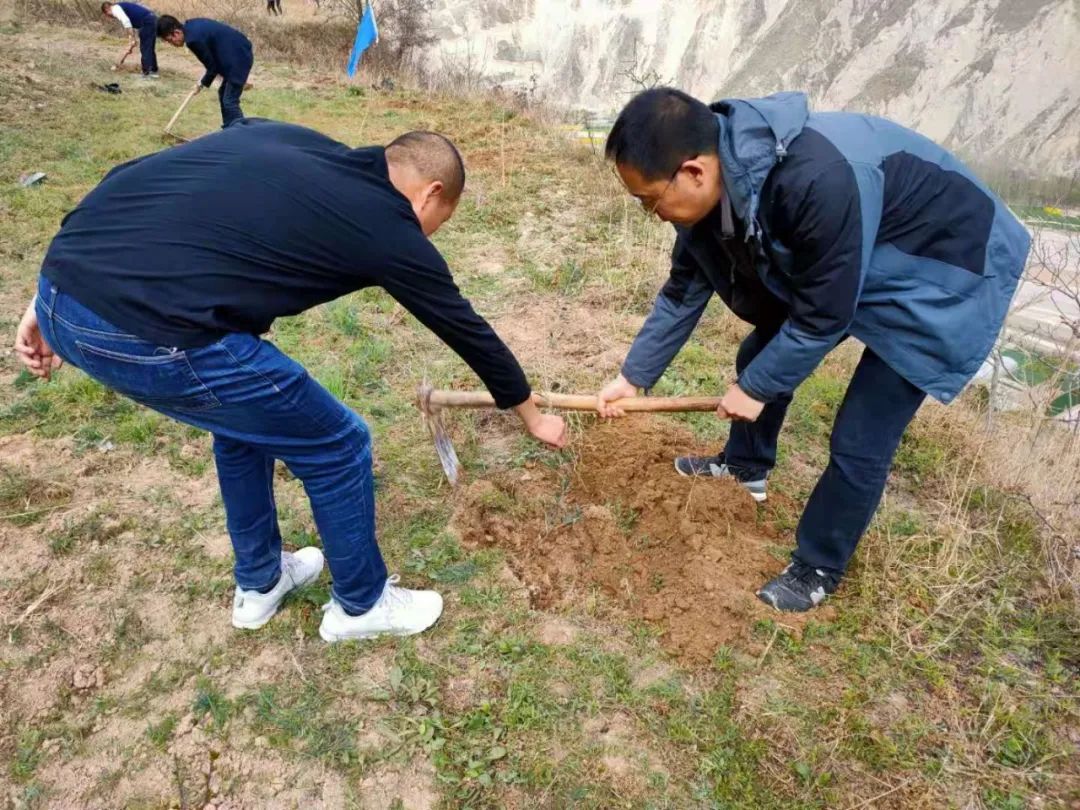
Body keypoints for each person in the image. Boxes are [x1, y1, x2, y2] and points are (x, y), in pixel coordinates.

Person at [15, 120, 567, 642]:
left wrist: (48, 299)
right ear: (430, 194)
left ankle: (260, 582)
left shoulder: (286, 138)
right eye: (437, 223)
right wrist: (532, 415)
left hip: (65, 289)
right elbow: (467, 329)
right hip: (148, 332)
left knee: (245, 424)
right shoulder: (388, 226)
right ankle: (362, 605)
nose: (427, 236)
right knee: (337, 442)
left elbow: (130, 179)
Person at [595, 88, 1030, 612]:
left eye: (649, 200)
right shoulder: (713, 196)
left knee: (861, 435)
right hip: (863, 256)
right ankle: (745, 466)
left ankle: (819, 565)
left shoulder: (817, 179)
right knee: (760, 355)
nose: (653, 214)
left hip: (944, 271)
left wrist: (755, 390)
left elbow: (825, 313)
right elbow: (684, 291)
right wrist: (633, 376)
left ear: (693, 172)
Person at [157, 15, 253, 128]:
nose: (171, 44)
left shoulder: (193, 40)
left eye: (169, 40)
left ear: (176, 33)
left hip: (237, 56)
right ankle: (229, 129)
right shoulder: (190, 26)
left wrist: (201, 84)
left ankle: (240, 133)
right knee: (223, 94)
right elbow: (213, 62)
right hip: (234, 52)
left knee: (229, 101)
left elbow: (212, 68)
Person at [101, 1, 158, 78]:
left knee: (145, 48)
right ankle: (153, 70)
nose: (110, 17)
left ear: (107, 9)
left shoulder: (115, 8)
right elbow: (132, 21)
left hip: (147, 22)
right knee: (149, 47)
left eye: (107, 14)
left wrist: (131, 38)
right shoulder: (122, 6)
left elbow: (126, 21)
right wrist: (132, 39)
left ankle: (147, 73)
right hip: (152, 19)